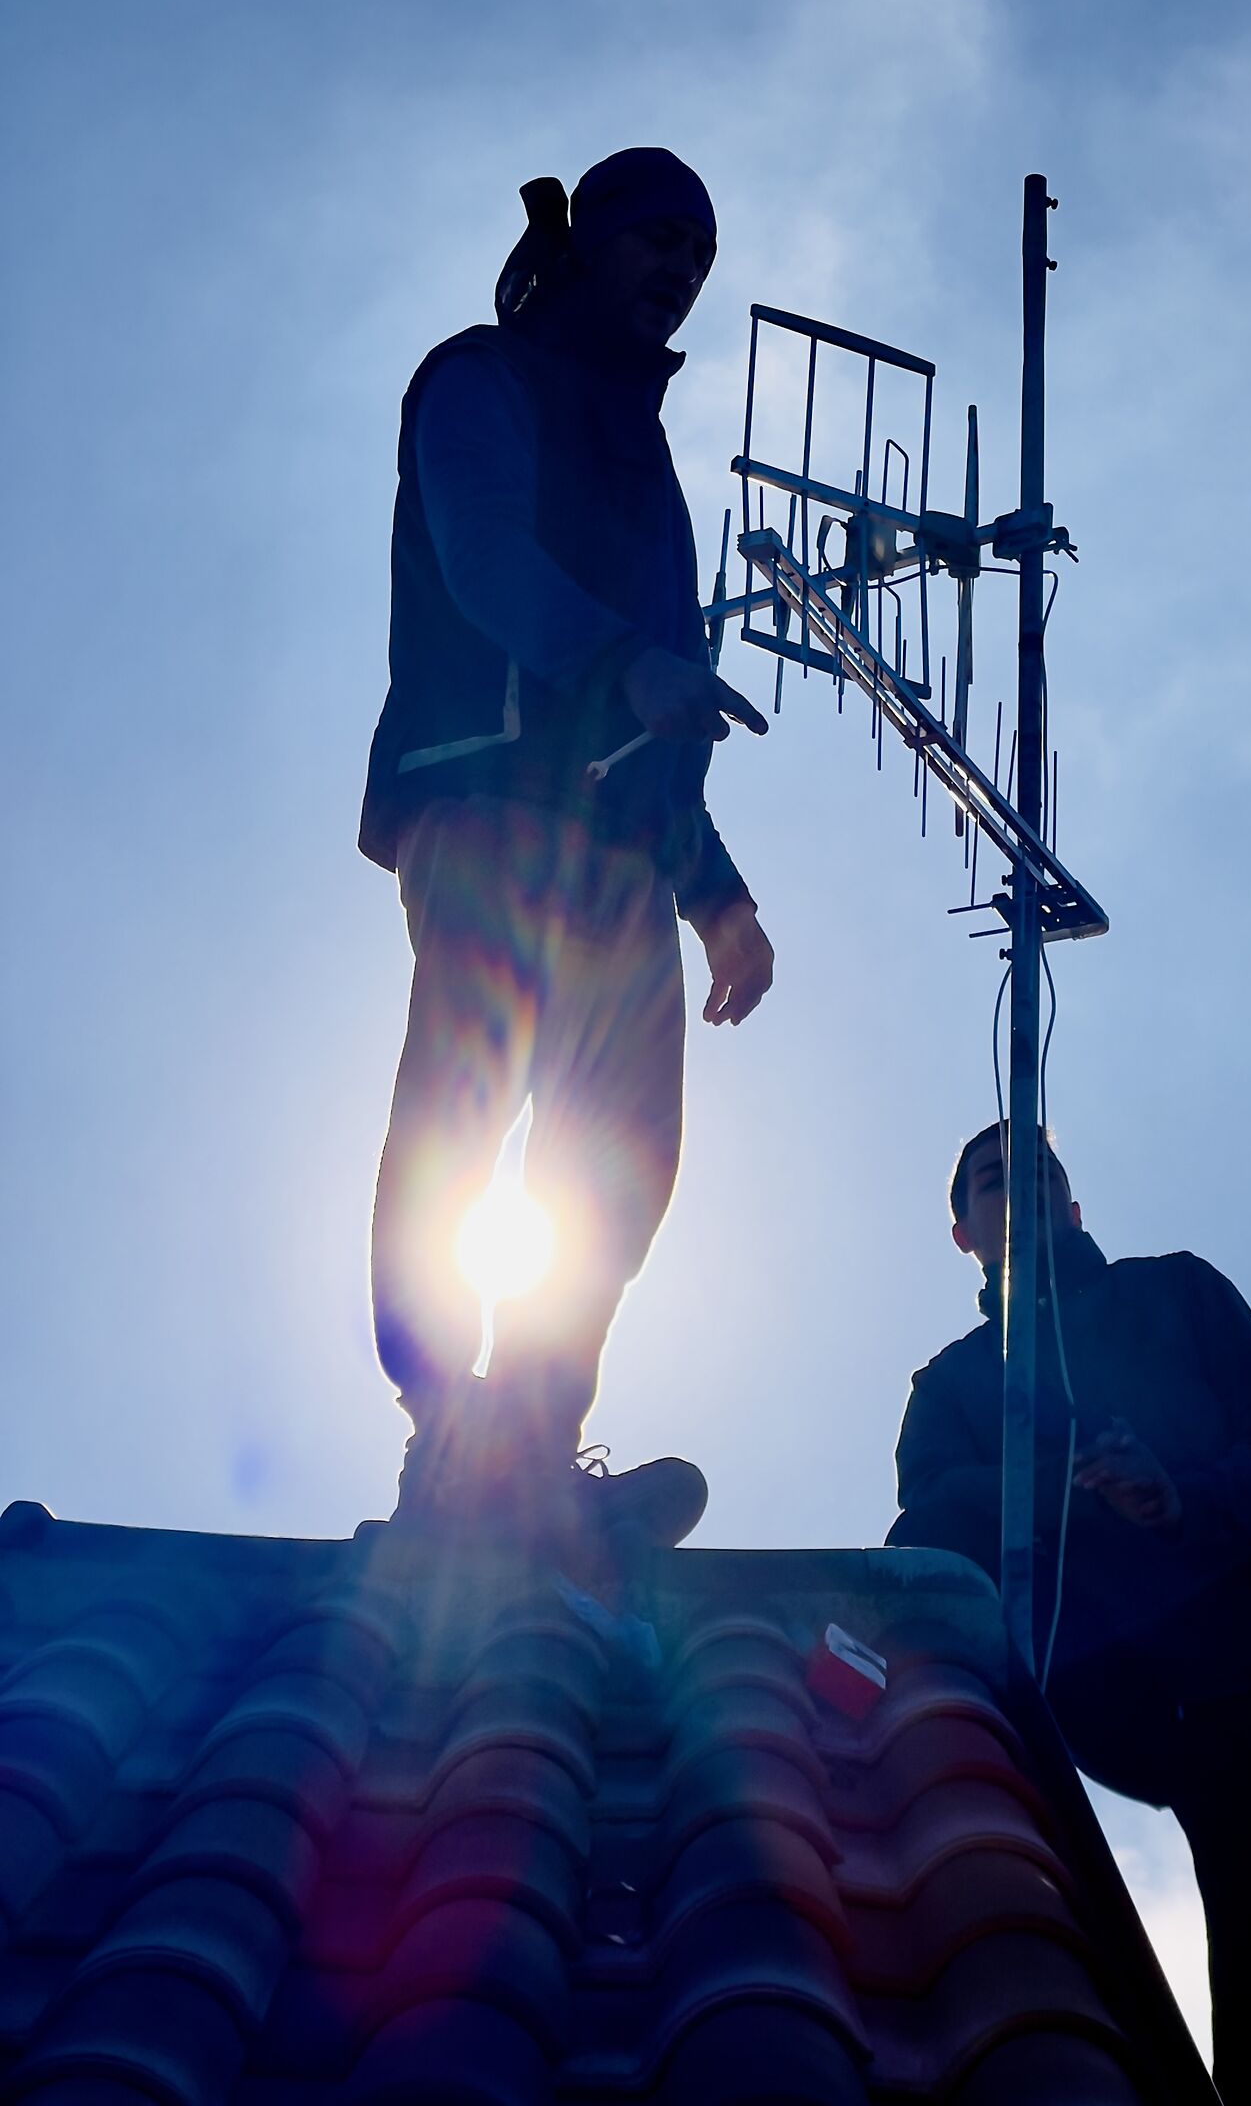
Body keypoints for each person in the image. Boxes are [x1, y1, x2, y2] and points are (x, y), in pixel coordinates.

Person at [360, 147, 774, 1546]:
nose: (680, 271)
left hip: (620, 855)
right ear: (588, 240)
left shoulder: (644, 454)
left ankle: (535, 1447)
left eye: (701, 258)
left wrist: (714, 894)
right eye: (661, 238)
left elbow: (666, 708)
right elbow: (482, 560)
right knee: (461, 1125)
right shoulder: (481, 377)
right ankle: (446, 1435)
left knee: (619, 1161)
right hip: (489, 808)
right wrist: (623, 663)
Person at [887, 1123, 1251, 2106]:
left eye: (1038, 1173)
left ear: (1074, 1204)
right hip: (1100, 1698)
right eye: (988, 1181)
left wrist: (1178, 1495)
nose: (1015, 1188)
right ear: (962, 1232)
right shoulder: (952, 1386)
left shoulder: (1179, 1294)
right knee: (1018, 1959)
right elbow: (929, 1532)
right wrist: (1067, 1489)